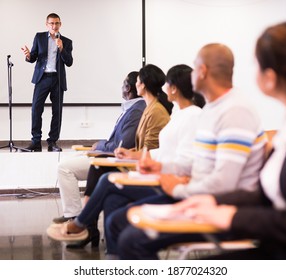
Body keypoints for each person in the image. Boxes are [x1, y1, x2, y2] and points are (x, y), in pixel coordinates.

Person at [135, 21, 286, 260]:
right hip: (267, 231)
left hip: (280, 244)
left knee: (132, 236)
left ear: (270, 77)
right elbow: (265, 194)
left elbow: (240, 187)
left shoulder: (237, 111)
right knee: (128, 225)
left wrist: (224, 211)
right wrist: (206, 200)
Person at [106, 43, 268, 259]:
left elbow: (224, 183)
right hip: (196, 195)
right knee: (117, 221)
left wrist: (178, 190)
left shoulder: (235, 111)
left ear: (202, 71)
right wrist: (161, 166)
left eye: (194, 67)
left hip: (218, 207)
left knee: (131, 239)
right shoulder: (211, 109)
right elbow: (197, 161)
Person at [46, 64, 204, 250]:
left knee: (106, 177)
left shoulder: (190, 116)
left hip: (168, 182)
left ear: (174, 88)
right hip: (157, 172)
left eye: (168, 84)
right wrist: (134, 154)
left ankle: (80, 224)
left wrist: (151, 164)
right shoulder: (178, 114)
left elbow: (184, 162)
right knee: (111, 196)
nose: (165, 88)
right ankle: (111, 252)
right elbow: (162, 151)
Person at [52, 71, 146, 224]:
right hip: (106, 153)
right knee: (66, 161)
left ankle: (74, 214)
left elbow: (122, 145)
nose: (121, 87)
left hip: (113, 159)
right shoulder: (131, 108)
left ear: (128, 88)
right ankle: (74, 214)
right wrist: (99, 146)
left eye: (123, 84)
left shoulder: (136, 110)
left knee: (64, 168)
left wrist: (100, 145)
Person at [21, 13, 73, 152]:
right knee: (36, 109)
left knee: (57, 112)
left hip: (58, 79)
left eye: (56, 23)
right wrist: (28, 56)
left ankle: (52, 143)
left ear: (60, 24)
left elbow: (69, 62)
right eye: (51, 23)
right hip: (42, 78)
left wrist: (61, 48)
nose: (54, 26)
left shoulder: (66, 42)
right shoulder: (39, 37)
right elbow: (33, 57)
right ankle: (36, 142)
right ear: (47, 24)